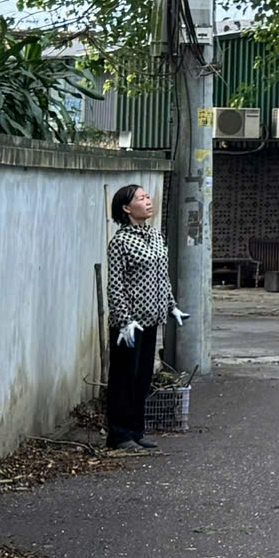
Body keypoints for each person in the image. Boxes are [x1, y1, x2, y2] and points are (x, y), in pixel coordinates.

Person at [105, 184, 184, 456]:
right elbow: (115, 285)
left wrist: (171, 306)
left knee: (142, 377)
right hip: (128, 324)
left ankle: (136, 431)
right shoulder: (120, 242)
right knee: (124, 378)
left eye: (148, 196)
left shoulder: (156, 236)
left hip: (152, 319)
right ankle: (119, 435)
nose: (148, 201)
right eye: (141, 198)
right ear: (127, 208)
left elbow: (163, 276)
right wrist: (123, 320)